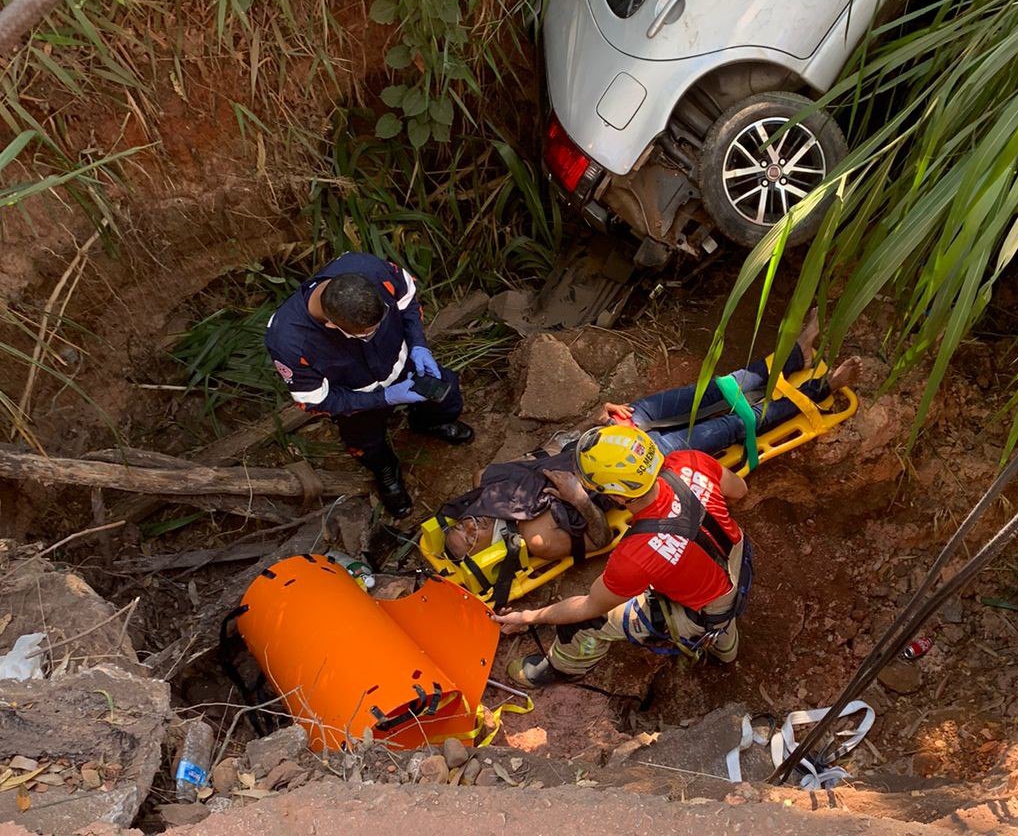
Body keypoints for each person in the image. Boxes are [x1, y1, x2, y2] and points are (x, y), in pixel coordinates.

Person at [442, 313, 859, 564]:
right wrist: (578, 499)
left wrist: (589, 421)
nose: (474, 524)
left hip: (609, 435)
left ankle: (796, 356)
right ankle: (819, 390)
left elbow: (545, 453)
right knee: (732, 426)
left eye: (464, 523)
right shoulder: (539, 541)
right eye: (472, 537)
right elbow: (600, 540)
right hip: (640, 467)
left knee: (716, 390)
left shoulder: (489, 481)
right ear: (484, 551)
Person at [495, 424, 752, 688]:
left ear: (618, 496)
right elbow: (738, 490)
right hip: (735, 564)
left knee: (588, 623)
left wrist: (529, 617)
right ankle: (726, 648)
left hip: (702, 609)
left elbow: (589, 606)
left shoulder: (636, 554)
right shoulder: (690, 461)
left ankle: (563, 667)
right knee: (719, 612)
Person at [264, 251, 473, 519]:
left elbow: (407, 299)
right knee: (365, 443)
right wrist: (385, 398)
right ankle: (386, 469)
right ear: (330, 324)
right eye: (365, 334)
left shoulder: (370, 269)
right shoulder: (289, 341)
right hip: (356, 400)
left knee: (447, 393)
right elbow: (316, 400)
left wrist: (419, 345)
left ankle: (428, 423)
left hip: (405, 364)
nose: (372, 335)